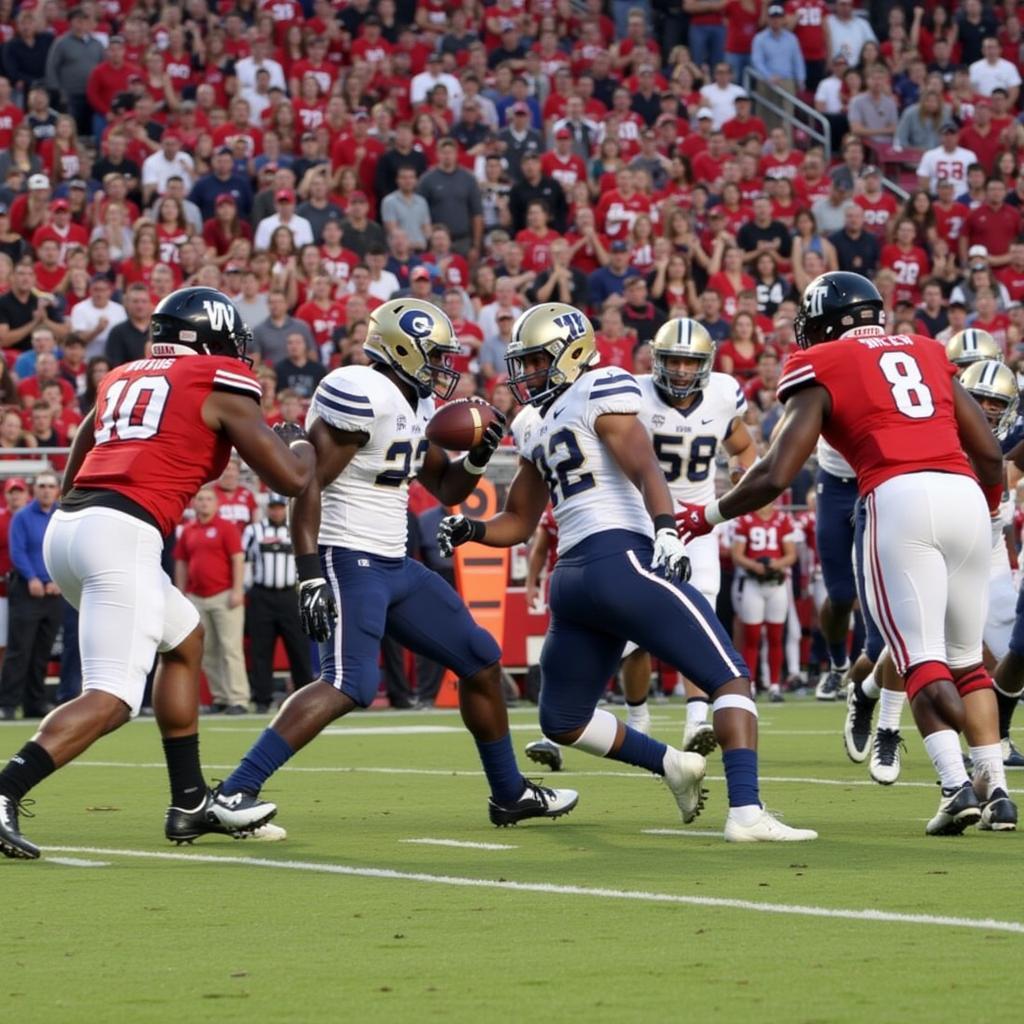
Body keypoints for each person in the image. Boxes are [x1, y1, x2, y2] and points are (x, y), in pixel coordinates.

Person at [441, 302, 816, 842]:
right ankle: (747, 812)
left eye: (537, 361)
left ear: (570, 354)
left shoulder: (549, 413)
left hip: (571, 580)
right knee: (730, 676)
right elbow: (643, 465)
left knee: (564, 718)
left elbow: (518, 523)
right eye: (523, 363)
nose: (526, 374)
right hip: (619, 558)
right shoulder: (580, 398)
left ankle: (671, 764)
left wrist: (473, 529)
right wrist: (665, 527)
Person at [214, 298, 577, 829]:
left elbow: (447, 486)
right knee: (349, 682)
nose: (443, 368)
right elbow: (304, 483)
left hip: (394, 562)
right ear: (401, 349)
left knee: (480, 659)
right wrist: (310, 570)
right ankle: (235, 791)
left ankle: (510, 793)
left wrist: (477, 455)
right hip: (347, 554)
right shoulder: (360, 390)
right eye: (434, 355)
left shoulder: (415, 404)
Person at [678, 271, 1015, 835]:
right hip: (965, 496)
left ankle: (967, 782)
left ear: (828, 322)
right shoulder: (929, 349)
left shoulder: (826, 360)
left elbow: (774, 473)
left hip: (898, 495)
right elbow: (985, 448)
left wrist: (706, 515)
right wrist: (989, 507)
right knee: (967, 662)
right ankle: (990, 791)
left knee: (919, 659)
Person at [0, 286, 317, 860]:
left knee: (185, 637)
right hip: (120, 533)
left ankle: (190, 802)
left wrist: (76, 493)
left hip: (73, 525)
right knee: (113, 697)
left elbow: (86, 432)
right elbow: (290, 481)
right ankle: (5, 788)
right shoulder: (216, 376)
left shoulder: (123, 373)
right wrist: (303, 447)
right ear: (209, 337)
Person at [618, 319, 757, 747]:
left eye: (689, 361)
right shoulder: (631, 394)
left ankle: (697, 721)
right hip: (640, 520)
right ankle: (638, 718)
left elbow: (743, 446)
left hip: (696, 525)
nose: (680, 370)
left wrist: (740, 471)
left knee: (700, 624)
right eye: (673, 360)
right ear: (656, 360)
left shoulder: (723, 394)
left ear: (706, 363)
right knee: (634, 636)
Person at [0, 472, 63, 722]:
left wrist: (58, 580)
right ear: (34, 490)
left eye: (50, 486)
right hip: (27, 590)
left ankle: (34, 703)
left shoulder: (62, 516)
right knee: (19, 649)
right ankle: (7, 703)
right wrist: (33, 578)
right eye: (41, 486)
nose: (46, 490)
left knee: (42, 650)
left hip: (55, 591)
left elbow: (64, 549)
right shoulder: (23, 517)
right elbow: (18, 551)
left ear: (58, 489)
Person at [242, 493, 311, 714]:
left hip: (290, 595)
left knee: (298, 648)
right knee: (261, 650)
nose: (276, 511)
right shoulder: (254, 531)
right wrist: (247, 588)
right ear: (267, 508)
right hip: (262, 595)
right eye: (272, 507)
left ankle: (305, 696)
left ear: (286, 508)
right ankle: (262, 699)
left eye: (280, 507)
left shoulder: (296, 528)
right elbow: (244, 560)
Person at [732, 501, 799, 702]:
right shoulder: (745, 520)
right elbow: (737, 554)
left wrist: (775, 564)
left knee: (775, 637)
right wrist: (754, 566)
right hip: (753, 583)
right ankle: (750, 685)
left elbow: (791, 555)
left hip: (776, 584)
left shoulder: (783, 520)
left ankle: (774, 685)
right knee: (751, 637)